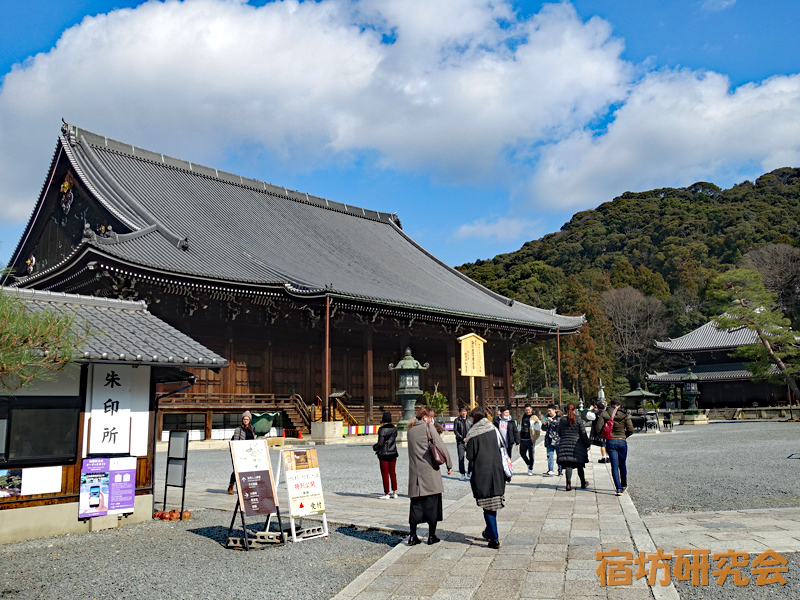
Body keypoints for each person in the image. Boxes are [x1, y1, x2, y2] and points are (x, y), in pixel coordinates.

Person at [407, 406, 452, 545]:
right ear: (425, 417)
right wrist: (449, 464)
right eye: (431, 417)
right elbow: (441, 446)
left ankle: (413, 536)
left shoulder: (410, 431)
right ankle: (431, 536)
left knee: (416, 506)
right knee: (432, 505)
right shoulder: (428, 428)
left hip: (416, 474)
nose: (432, 419)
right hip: (430, 472)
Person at [465, 406, 505, 549]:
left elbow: (470, 456)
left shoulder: (473, 433)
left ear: (474, 418)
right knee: (492, 504)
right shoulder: (493, 429)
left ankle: (494, 538)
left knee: (487, 506)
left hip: (482, 472)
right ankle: (489, 531)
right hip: (496, 470)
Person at [596, 399, 634, 496]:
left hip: (611, 441)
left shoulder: (604, 414)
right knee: (623, 464)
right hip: (622, 440)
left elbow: (598, 428)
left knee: (614, 466)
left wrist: (606, 436)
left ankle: (618, 488)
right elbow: (631, 430)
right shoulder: (625, 415)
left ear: (610, 405)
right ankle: (624, 484)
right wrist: (624, 436)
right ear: (619, 406)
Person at [556, 403, 591, 491]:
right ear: (575, 410)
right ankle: (583, 482)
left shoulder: (562, 420)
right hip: (577, 445)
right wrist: (587, 444)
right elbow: (583, 434)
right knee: (580, 465)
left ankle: (568, 484)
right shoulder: (578, 420)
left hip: (564, 443)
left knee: (568, 464)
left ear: (566, 410)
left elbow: (559, 432)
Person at [227, 411, 255, 494]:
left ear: (249, 420)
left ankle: (245, 486)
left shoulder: (252, 429)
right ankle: (231, 484)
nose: (245, 421)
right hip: (240, 452)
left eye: (247, 419)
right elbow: (235, 442)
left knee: (248, 470)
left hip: (249, 453)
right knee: (237, 470)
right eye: (244, 419)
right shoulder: (238, 430)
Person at [374, 411, 399, 499]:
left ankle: (386, 493)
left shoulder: (382, 430)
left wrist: (375, 447)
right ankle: (395, 492)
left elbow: (380, 443)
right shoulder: (394, 429)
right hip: (393, 452)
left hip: (384, 453)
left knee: (385, 473)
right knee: (393, 473)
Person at [519, 404, 541, 475]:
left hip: (530, 438)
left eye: (528, 410)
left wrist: (534, 438)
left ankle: (530, 468)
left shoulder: (534, 417)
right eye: (526, 410)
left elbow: (537, 429)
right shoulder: (522, 416)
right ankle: (528, 463)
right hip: (522, 438)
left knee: (531, 454)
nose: (527, 411)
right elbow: (519, 426)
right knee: (522, 453)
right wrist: (518, 436)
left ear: (531, 409)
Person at [541, 404, 562, 477]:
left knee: (559, 456)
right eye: (548, 411)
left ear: (554, 410)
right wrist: (544, 424)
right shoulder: (547, 418)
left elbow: (560, 427)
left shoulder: (559, 418)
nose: (549, 412)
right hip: (549, 440)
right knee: (550, 455)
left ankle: (560, 470)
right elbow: (543, 429)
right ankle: (550, 470)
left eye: (550, 411)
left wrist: (553, 421)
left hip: (557, 440)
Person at [454, 405, 472, 481]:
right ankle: (462, 473)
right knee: (461, 458)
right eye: (462, 411)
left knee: (471, 457)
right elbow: (455, 431)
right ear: (460, 412)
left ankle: (470, 471)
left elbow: (472, 429)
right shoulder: (457, 420)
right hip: (460, 442)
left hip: (469, 441)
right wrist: (462, 438)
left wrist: (468, 438)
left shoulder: (470, 420)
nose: (464, 413)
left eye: (465, 411)